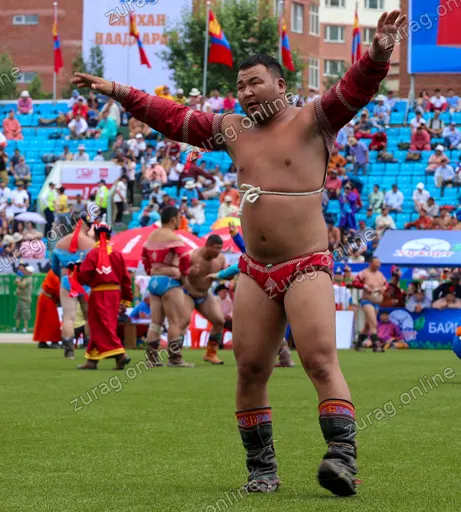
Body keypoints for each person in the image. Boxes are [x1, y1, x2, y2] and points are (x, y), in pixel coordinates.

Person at [72, 10, 404, 495]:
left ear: (281, 84)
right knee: (249, 369)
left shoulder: (314, 119)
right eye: (240, 86)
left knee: (319, 361)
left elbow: (356, 87)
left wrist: (378, 53)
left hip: (306, 265)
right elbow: (172, 118)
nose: (245, 92)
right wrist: (118, 90)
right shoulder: (232, 129)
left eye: (254, 82)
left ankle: (341, 459)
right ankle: (261, 470)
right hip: (254, 271)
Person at [76, 217, 133, 370]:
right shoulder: (117, 254)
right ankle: (92, 359)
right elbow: (126, 279)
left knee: (102, 326)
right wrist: (125, 300)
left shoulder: (92, 254)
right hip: (114, 294)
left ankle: (120, 355)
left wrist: (77, 270)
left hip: (99, 294)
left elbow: (83, 277)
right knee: (102, 325)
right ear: (109, 235)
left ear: (96, 235)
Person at [142, 206, 193, 368]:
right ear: (173, 219)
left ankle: (152, 358)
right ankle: (175, 358)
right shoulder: (172, 236)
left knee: (155, 323)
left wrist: (151, 271)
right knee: (175, 322)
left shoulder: (152, 235)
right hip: (170, 281)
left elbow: (144, 257)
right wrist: (183, 275)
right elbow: (185, 257)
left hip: (154, 281)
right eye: (179, 218)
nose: (180, 221)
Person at [50, 214, 94, 359]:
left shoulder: (60, 243)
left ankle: (69, 352)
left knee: (68, 317)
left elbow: (54, 266)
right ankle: (91, 349)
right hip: (86, 283)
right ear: (86, 226)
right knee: (89, 317)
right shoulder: (91, 244)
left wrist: (63, 276)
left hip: (67, 280)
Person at [182, 235, 227, 365]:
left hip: (205, 295)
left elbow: (226, 275)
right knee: (182, 322)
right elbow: (179, 273)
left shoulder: (221, 259)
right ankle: (175, 356)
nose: (218, 251)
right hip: (187, 293)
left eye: (220, 248)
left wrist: (228, 273)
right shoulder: (192, 256)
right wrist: (189, 272)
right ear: (207, 246)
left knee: (219, 321)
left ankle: (210, 354)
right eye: (216, 248)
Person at [353, 257, 388, 352]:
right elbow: (355, 282)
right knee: (373, 322)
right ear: (371, 263)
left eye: (379, 263)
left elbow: (386, 284)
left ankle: (358, 344)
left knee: (368, 325)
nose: (378, 264)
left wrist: (384, 288)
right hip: (367, 300)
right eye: (376, 263)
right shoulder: (364, 273)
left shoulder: (380, 274)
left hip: (377, 302)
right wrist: (365, 286)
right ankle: (376, 345)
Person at [33, 269, 61, 348]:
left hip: (46, 297)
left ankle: (42, 341)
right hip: (48, 298)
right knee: (52, 321)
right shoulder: (55, 272)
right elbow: (57, 288)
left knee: (43, 321)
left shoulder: (53, 271)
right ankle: (54, 341)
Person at [14, 265, 34, 333]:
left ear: (29, 272)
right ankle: (17, 328)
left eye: (26, 270)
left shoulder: (29, 278)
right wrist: (18, 279)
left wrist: (18, 280)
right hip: (20, 298)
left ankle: (26, 328)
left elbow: (22, 285)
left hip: (26, 299)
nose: (24, 271)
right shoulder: (23, 277)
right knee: (17, 313)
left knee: (26, 314)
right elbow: (16, 283)